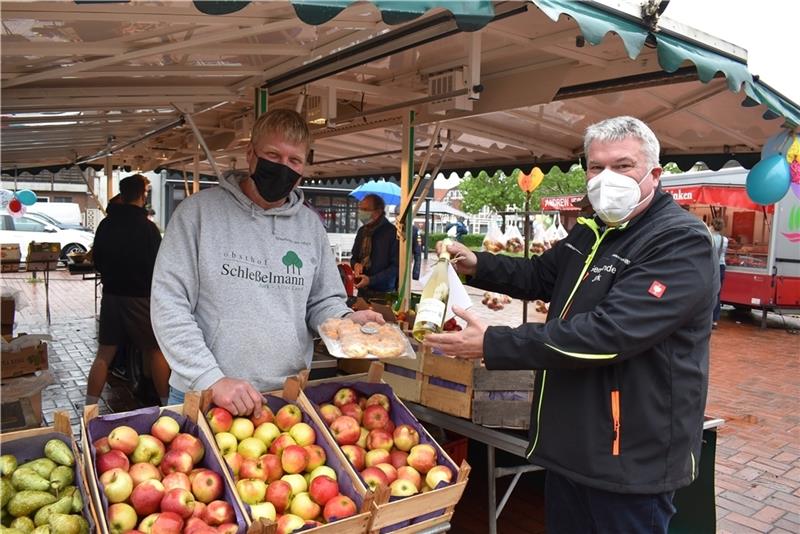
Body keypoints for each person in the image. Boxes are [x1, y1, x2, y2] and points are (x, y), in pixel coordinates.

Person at [425, 116, 718, 533]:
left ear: (654, 174)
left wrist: (493, 343)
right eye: (596, 168)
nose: (606, 178)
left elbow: (609, 334)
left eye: (623, 166)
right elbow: (539, 276)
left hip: (629, 455)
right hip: (572, 445)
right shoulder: (593, 230)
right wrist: (477, 263)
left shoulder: (678, 241)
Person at [150, 109, 382, 415]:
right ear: (250, 155)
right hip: (204, 393)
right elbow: (169, 305)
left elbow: (322, 301)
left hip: (282, 397)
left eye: (294, 161)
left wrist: (345, 320)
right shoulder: (197, 215)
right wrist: (211, 378)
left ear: (303, 168)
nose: (283, 167)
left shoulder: (310, 227)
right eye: (273, 155)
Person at [87, 175, 170, 406]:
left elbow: (97, 260)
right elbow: (159, 266)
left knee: (104, 355)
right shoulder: (148, 228)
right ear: (143, 196)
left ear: (122, 195)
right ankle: (167, 404)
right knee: (155, 350)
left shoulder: (106, 224)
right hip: (141, 298)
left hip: (112, 295)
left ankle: (88, 407)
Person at [350, 193, 399, 299]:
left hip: (384, 294)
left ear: (378, 211)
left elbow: (396, 267)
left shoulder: (392, 233)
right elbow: (354, 258)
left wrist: (371, 280)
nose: (361, 213)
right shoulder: (362, 231)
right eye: (360, 209)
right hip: (362, 293)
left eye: (365, 209)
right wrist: (355, 265)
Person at [710, 217, 728, 329]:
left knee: (707, 293)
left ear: (712, 225)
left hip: (710, 266)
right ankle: (715, 320)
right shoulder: (724, 240)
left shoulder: (709, 236)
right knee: (717, 293)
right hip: (721, 266)